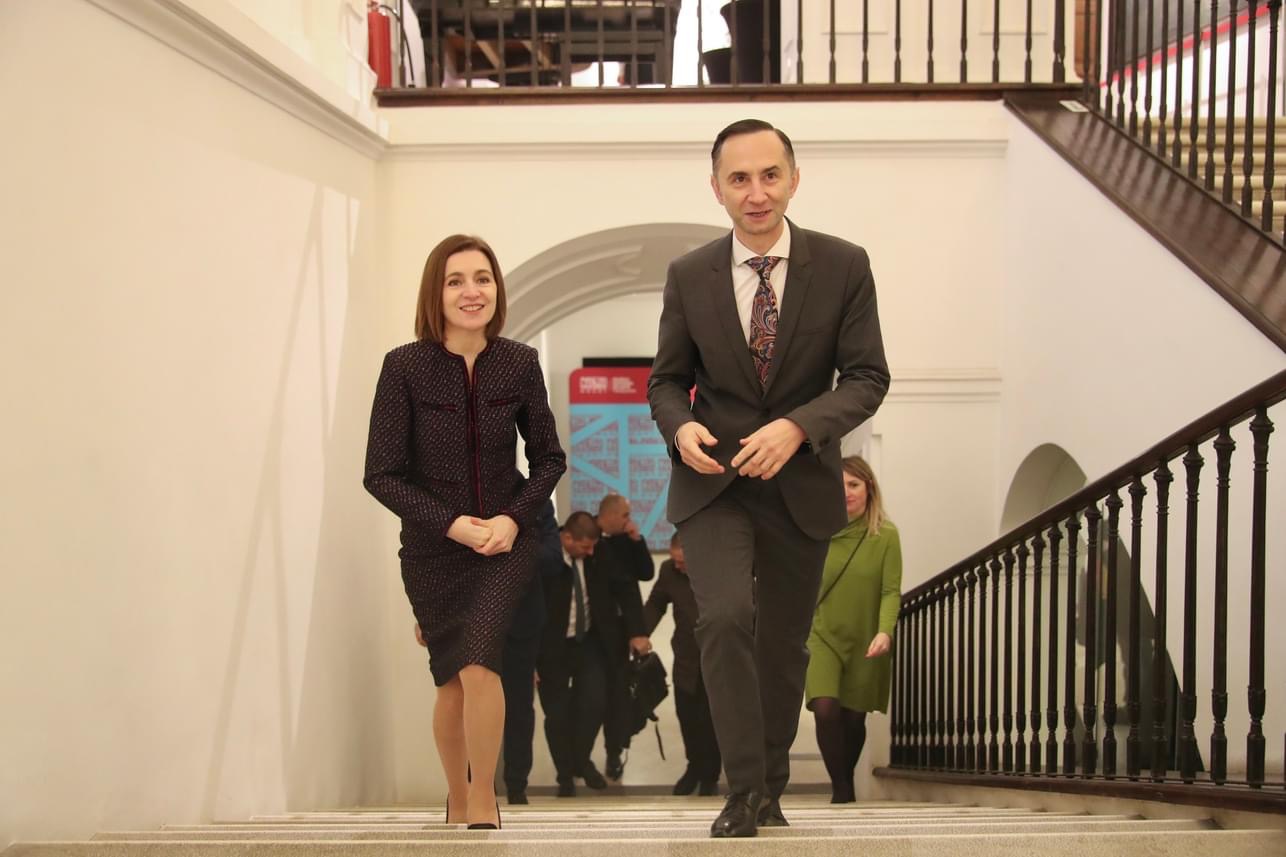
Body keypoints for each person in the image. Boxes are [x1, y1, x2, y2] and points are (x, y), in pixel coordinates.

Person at [647, 119, 890, 838]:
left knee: (784, 645)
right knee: (723, 617)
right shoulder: (689, 274)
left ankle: (769, 786)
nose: (756, 193)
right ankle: (742, 789)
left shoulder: (843, 265)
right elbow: (666, 381)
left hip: (800, 482)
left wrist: (798, 427)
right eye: (739, 179)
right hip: (714, 483)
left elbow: (867, 376)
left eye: (769, 175)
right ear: (717, 188)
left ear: (793, 178)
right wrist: (679, 427)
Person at [364, 234, 566, 830]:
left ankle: (482, 798)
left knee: (480, 663)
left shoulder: (519, 363)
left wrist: (512, 519)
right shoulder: (404, 366)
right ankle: (456, 794)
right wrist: (451, 525)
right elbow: (381, 474)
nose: (471, 291)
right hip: (433, 550)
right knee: (451, 680)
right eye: (456, 281)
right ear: (436, 292)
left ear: (496, 289)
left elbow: (549, 459)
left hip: (504, 546)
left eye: (482, 278)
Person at [804, 456, 902, 803]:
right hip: (820, 633)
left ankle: (844, 780)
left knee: (853, 717)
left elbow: (890, 590)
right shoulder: (816, 532)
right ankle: (841, 788)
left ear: (868, 488)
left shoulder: (885, 535)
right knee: (825, 708)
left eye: (853, 484)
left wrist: (885, 631)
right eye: (839, 485)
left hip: (865, 636)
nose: (845, 492)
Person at [537, 511, 649, 796]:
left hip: (590, 642)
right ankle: (566, 775)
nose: (590, 552)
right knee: (557, 714)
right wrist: (528, 661)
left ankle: (581, 760)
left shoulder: (601, 553)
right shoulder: (543, 557)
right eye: (584, 547)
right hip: (550, 648)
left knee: (594, 703)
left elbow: (627, 588)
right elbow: (525, 608)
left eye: (593, 547)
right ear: (566, 538)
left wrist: (638, 631)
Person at [643, 532, 721, 796]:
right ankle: (694, 766)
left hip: (718, 657)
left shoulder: (720, 569)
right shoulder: (669, 571)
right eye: (675, 560)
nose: (677, 566)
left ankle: (710, 774)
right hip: (686, 656)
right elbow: (656, 603)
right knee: (687, 715)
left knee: (712, 719)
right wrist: (640, 633)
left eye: (682, 562)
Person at [500, 498, 561, 805]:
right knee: (467, 703)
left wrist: (509, 542)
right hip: (470, 617)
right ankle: (469, 786)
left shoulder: (536, 503)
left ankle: (516, 786)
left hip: (522, 620)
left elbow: (553, 559)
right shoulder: (465, 494)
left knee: (519, 708)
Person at [594, 493, 655, 781]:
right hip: (589, 632)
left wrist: (636, 540)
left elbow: (644, 574)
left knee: (618, 696)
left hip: (619, 633)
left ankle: (614, 752)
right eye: (625, 516)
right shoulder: (587, 537)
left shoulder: (626, 541)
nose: (629, 521)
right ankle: (577, 760)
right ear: (608, 516)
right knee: (591, 696)